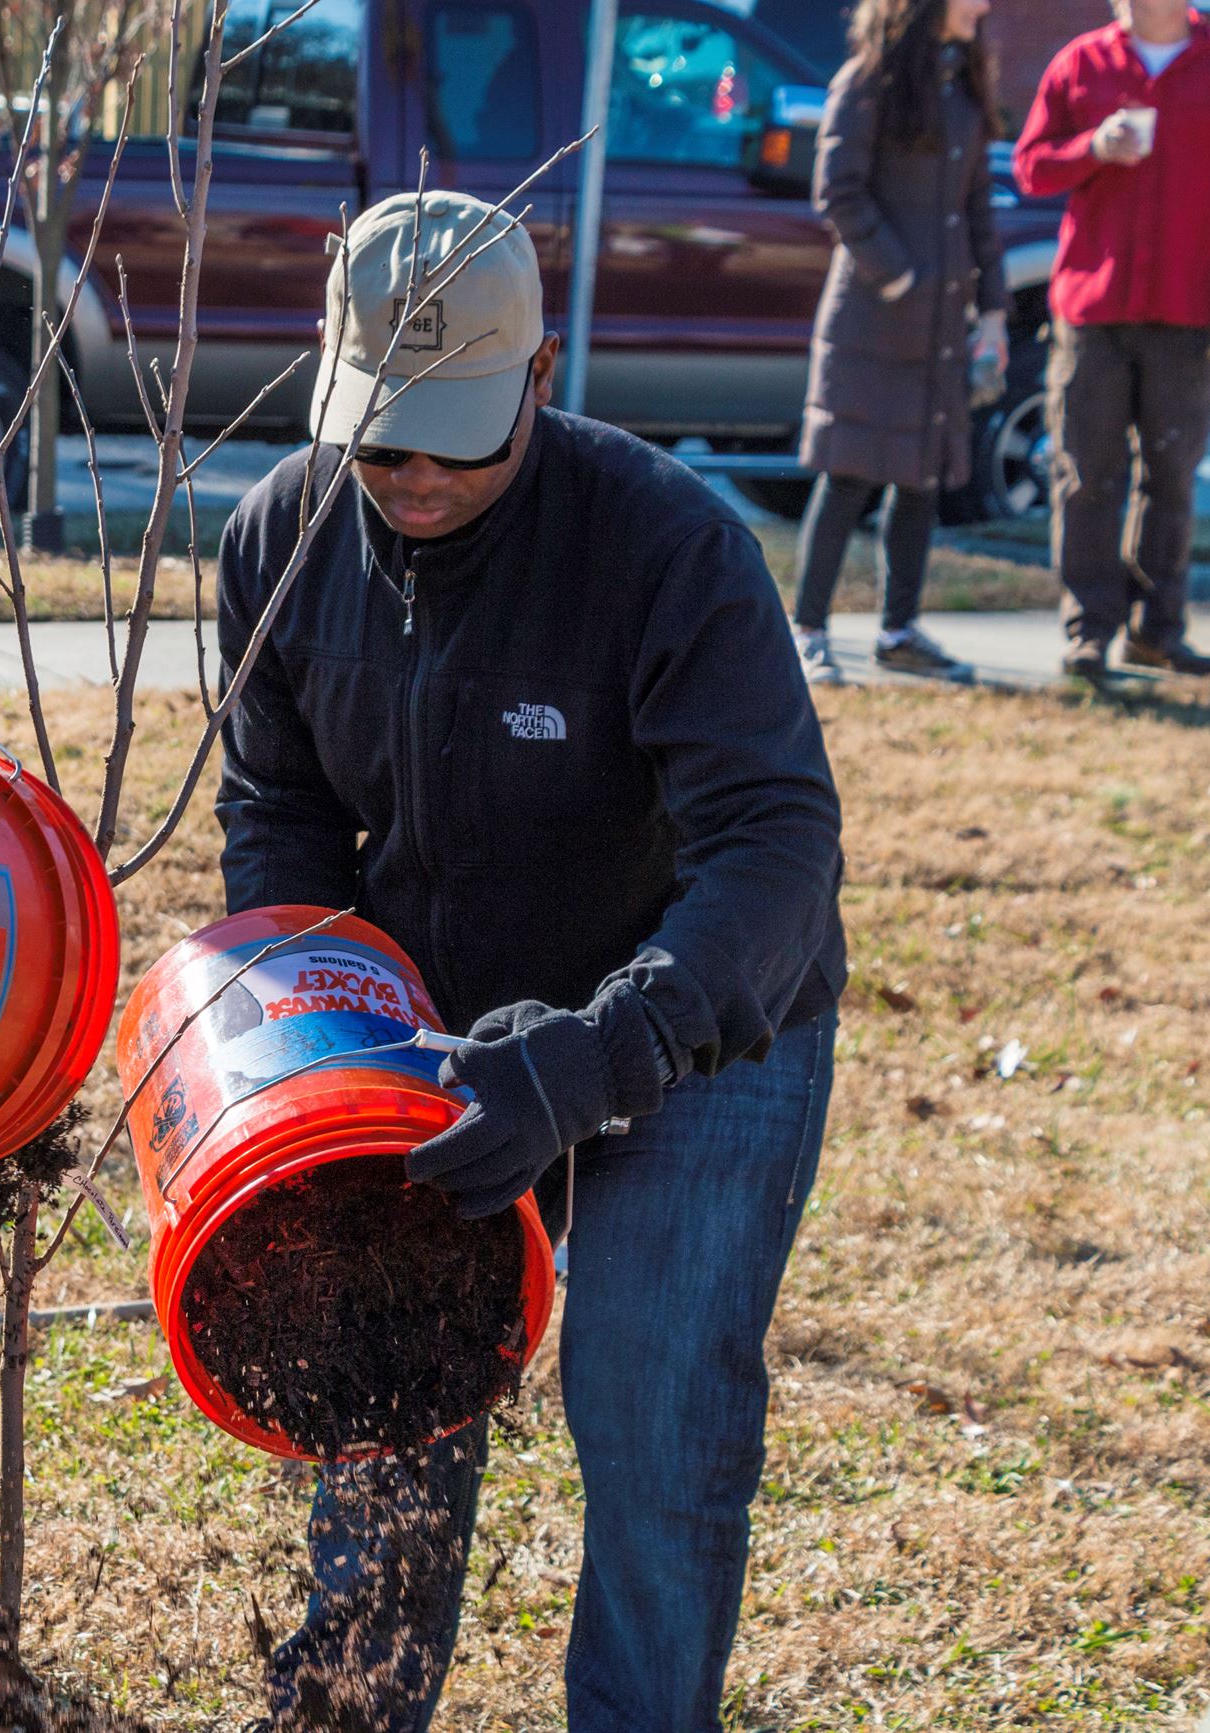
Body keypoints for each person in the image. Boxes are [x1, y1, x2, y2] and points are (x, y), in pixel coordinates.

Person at [217, 191, 845, 1728]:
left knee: (650, 1409)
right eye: (383, 440)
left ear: (543, 376)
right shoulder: (278, 544)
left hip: (692, 1033)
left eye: (459, 439)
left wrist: (596, 1055)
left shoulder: (666, 550)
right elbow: (277, 812)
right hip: (430, 1050)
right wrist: (326, 1034)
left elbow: (773, 851)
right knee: (385, 1392)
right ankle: (351, 1710)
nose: (416, 475)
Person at [792, 0, 1006, 686]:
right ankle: (809, 631)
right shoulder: (867, 79)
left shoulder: (964, 84)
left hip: (941, 329)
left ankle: (900, 630)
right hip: (871, 322)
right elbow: (838, 192)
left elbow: (978, 208)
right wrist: (901, 275)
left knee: (922, 479)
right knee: (849, 473)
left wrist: (995, 312)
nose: (985, 5)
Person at [1013, 0, 1210, 680]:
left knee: (1172, 476)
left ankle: (1159, 631)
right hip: (1092, 308)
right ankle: (1089, 630)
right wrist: (1091, 148)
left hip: (1189, 308)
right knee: (1086, 474)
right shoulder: (1080, 62)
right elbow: (1031, 167)